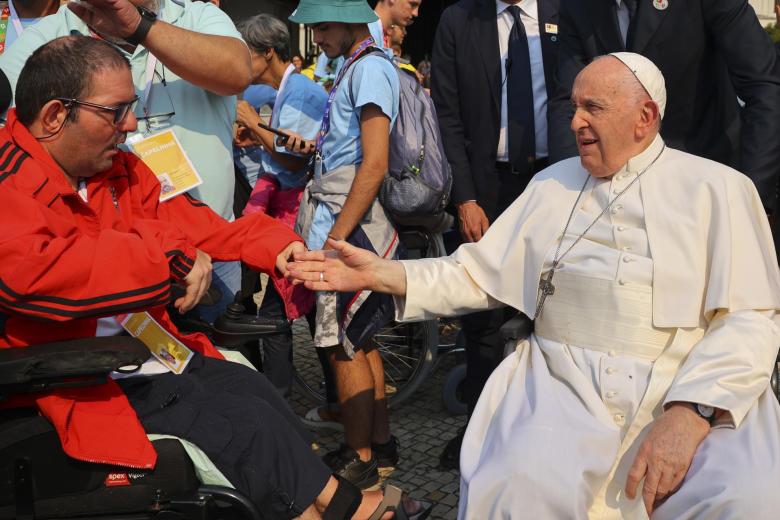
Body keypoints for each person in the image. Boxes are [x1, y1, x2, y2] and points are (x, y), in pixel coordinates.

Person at [288, 53, 780, 519]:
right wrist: (379, 273)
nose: (574, 122)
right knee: (517, 484)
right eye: (573, 106)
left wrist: (692, 412)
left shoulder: (718, 188)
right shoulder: (552, 185)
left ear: (645, 116)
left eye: (593, 108)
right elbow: (475, 273)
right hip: (563, 380)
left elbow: (752, 318)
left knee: (745, 495)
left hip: (686, 380)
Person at [0, 35, 430, 520]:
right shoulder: (8, 178)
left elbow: (197, 224)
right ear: (56, 116)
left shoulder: (118, 168)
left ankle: (330, 506)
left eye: (132, 107)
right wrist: (168, 258)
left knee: (250, 389)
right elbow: (35, 272)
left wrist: (282, 249)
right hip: (65, 374)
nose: (132, 124)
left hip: (135, 352)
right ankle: (340, 510)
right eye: (116, 111)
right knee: (234, 419)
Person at [0, 0, 253, 324]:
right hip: (110, 261)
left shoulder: (197, 15)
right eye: (116, 111)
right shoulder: (51, 35)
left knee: (217, 357)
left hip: (208, 248)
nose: (129, 123)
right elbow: (18, 130)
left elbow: (236, 72)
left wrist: (139, 27)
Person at [430, 0, 559, 469]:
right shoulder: (461, 19)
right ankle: (480, 428)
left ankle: (544, 429)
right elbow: (447, 113)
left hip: (555, 182)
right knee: (480, 312)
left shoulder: (570, 12)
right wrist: (464, 196)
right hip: (484, 188)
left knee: (551, 307)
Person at [288, 0, 401, 490]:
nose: (317, 39)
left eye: (322, 27)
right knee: (364, 335)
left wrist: (336, 239)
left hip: (347, 221)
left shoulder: (370, 68)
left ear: (348, 21)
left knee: (343, 343)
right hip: (343, 215)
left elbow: (374, 162)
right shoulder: (358, 65)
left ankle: (359, 456)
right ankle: (379, 443)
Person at [548, 0, 780, 218]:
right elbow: (568, 102)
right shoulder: (578, 5)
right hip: (611, 188)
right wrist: (572, 194)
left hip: (703, 175)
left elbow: (764, 87)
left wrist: (752, 200)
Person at [233, 13, 328, 397]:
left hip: (296, 213)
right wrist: (257, 136)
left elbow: (292, 159)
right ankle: (333, 396)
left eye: (246, 55)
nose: (240, 65)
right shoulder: (288, 90)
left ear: (268, 53)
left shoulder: (302, 91)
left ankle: (278, 402)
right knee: (307, 310)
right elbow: (287, 148)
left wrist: (254, 125)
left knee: (277, 315)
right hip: (288, 210)